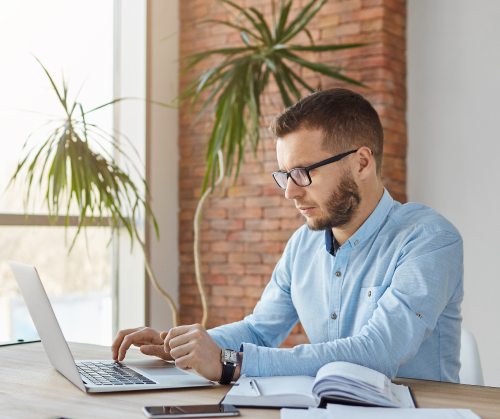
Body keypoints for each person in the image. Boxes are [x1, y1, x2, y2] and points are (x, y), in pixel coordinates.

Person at [111, 88, 463, 385]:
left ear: (361, 163)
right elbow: (260, 330)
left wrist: (231, 363)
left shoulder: (429, 239)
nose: (290, 193)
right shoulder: (303, 245)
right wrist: (178, 344)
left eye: (303, 172)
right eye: (284, 175)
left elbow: (378, 353)